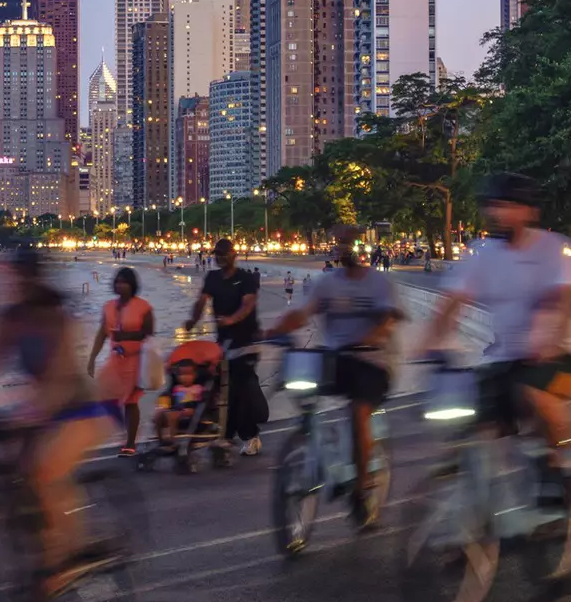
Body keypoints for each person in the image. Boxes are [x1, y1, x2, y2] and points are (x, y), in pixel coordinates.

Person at [418, 174, 571, 567]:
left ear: (529, 210)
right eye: (493, 205)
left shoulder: (557, 250)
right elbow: (452, 300)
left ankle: (568, 468)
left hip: (564, 351)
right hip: (504, 355)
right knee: (475, 427)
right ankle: (476, 516)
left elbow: (568, 301)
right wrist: (429, 341)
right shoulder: (481, 253)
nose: (499, 212)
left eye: (508, 204)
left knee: (537, 397)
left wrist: (552, 340)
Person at [0, 245, 112, 600]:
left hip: (78, 410)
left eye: (20, 278)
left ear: (33, 279)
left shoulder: (56, 318)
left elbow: (62, 378)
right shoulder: (7, 321)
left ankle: (67, 559)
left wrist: (27, 415)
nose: (13, 285)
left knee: (44, 474)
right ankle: (41, 546)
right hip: (38, 410)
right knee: (10, 479)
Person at [267, 225, 402, 525]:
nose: (343, 250)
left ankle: (361, 486)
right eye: (339, 244)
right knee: (302, 393)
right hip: (335, 359)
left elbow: (388, 319)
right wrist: (273, 331)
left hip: (373, 362)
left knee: (359, 411)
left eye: (348, 244)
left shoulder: (380, 283)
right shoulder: (327, 283)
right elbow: (302, 313)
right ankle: (313, 448)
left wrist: (371, 337)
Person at [186, 238, 265, 455]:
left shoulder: (246, 279)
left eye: (223, 253)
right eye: (217, 254)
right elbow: (201, 301)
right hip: (223, 343)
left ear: (233, 254)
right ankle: (224, 435)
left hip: (246, 343)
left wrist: (232, 319)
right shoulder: (212, 277)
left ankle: (251, 436)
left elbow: (248, 305)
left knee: (238, 389)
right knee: (217, 389)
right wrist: (192, 321)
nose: (220, 257)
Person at [86, 267, 153, 457]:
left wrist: (127, 335)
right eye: (117, 281)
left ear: (132, 285)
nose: (120, 285)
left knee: (131, 402)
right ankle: (123, 432)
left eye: (124, 282)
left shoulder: (143, 307)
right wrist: (92, 358)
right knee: (102, 395)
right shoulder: (108, 307)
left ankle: (130, 442)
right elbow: (102, 334)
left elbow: (149, 332)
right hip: (115, 360)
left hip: (136, 360)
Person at [152, 359, 208, 447]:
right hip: (176, 410)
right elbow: (171, 400)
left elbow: (202, 402)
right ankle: (160, 440)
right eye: (182, 375)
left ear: (195, 375)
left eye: (188, 374)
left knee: (172, 414)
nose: (185, 377)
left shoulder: (198, 388)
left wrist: (193, 408)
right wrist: (164, 406)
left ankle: (172, 441)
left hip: (191, 413)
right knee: (159, 413)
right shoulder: (176, 388)